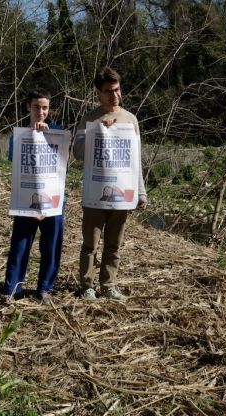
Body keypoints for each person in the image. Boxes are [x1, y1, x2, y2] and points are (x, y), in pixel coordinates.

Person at [73, 67, 147, 301]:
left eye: (117, 90)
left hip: (121, 195)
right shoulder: (90, 118)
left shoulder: (130, 119)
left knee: (114, 244)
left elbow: (136, 160)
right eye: (108, 91)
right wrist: (97, 133)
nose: (114, 95)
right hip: (95, 194)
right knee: (90, 244)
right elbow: (78, 153)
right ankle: (86, 285)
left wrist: (141, 193)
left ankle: (109, 285)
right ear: (98, 92)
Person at [3, 89, 64, 303]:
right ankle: (13, 288)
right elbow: (16, 164)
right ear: (28, 107)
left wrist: (47, 135)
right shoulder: (17, 136)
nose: (41, 111)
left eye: (45, 107)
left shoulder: (58, 133)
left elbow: (63, 165)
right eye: (37, 106)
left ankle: (45, 288)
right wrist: (32, 135)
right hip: (26, 199)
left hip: (53, 201)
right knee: (20, 245)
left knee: (51, 246)